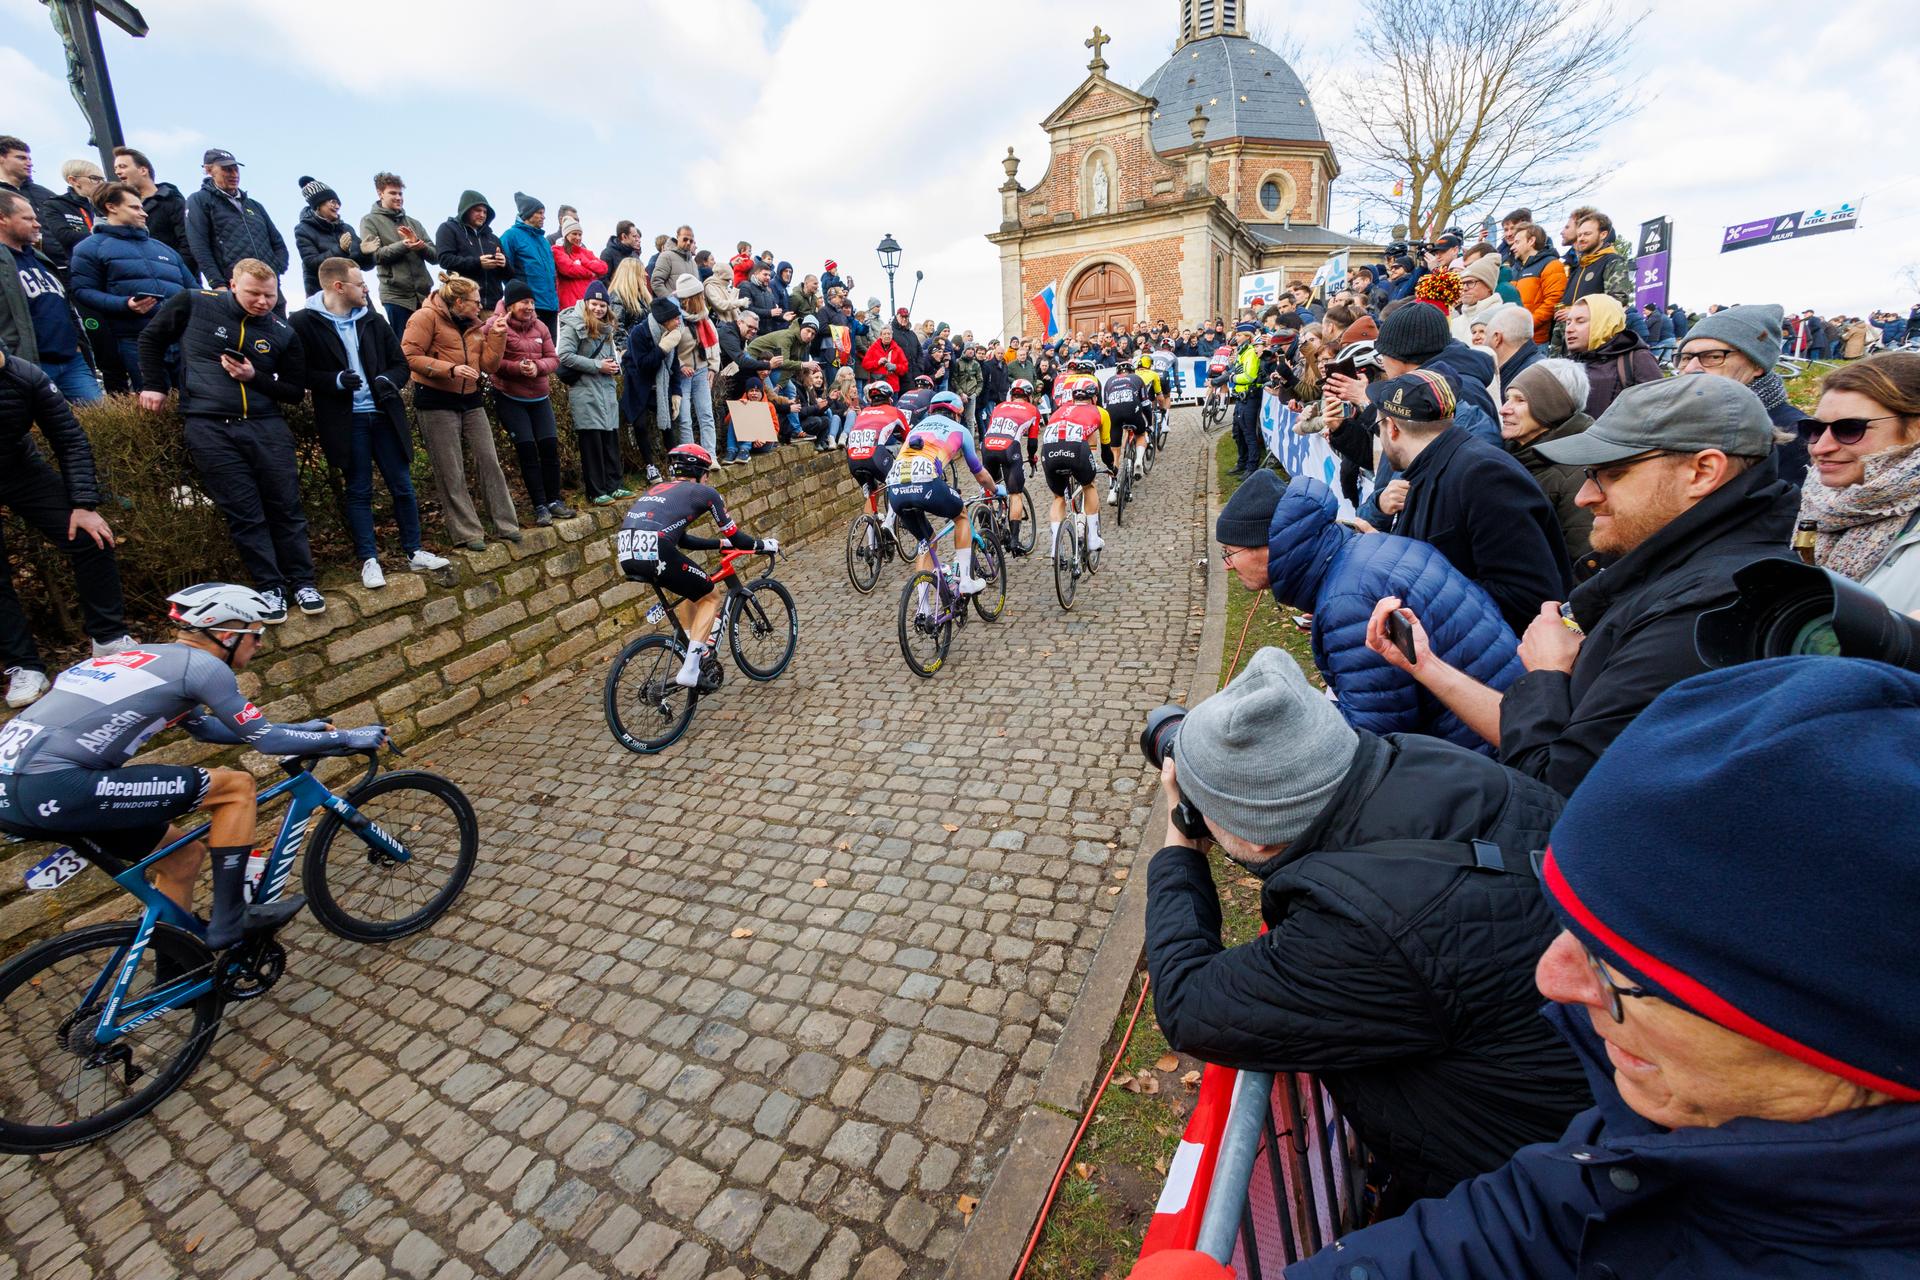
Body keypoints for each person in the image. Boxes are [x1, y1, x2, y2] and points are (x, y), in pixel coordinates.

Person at [1286, 657, 1920, 1280]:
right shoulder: (1675, 1106)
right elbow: (1538, 1217)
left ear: (1832, 1032)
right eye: (1575, 928)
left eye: (1622, 968)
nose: (1552, 980)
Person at [1144, 647, 1588, 1216]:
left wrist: (1181, 841)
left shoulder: (1359, 930)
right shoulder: (1427, 761)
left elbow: (1187, 1003)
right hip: (1582, 1113)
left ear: (1255, 836)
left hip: (1533, 1203)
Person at [1368, 374, 1798, 795]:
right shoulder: (1662, 572)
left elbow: (1562, 784)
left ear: (1703, 472)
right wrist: (1425, 664)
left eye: (1612, 473)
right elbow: (1551, 732)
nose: (1584, 496)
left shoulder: (1708, 611)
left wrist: (1548, 674)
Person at [2, 583, 387, 949]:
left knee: (181, 858)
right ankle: (231, 918)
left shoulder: (148, 659)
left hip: (15, 790)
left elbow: (205, 729)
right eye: (255, 633)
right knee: (236, 787)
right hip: (54, 783)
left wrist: (296, 730)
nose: (259, 643)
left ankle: (178, 966)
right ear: (228, 632)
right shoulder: (204, 667)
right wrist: (344, 737)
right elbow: (267, 743)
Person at [1216, 471, 1524, 752]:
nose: (1227, 565)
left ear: (1271, 546)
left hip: (1488, 755)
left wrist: (1288, 719)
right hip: (1509, 718)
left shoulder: (1349, 603)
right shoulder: (1362, 552)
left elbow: (1373, 738)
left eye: (1230, 553)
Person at [137, 260, 320, 622]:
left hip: (266, 426)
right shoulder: (194, 302)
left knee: (286, 508)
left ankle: (304, 581)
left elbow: (294, 392)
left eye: (270, 295)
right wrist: (154, 385)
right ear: (233, 284)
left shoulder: (283, 331)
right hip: (210, 426)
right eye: (254, 293)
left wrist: (254, 377)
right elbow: (150, 339)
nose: (263, 302)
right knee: (245, 513)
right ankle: (271, 587)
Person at [1370, 369, 1570, 633]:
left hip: (1499, 663)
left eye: (1378, 428)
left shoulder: (1484, 475)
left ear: (1392, 428)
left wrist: (1419, 592)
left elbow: (1529, 597)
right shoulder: (1431, 467)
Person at [290, 258, 449, 588]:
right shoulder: (303, 323)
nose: (365, 288)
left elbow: (400, 365)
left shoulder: (374, 321)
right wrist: (334, 380)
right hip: (346, 421)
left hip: (383, 416)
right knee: (359, 490)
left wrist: (386, 380)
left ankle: (415, 551)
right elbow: (299, 373)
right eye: (358, 282)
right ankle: (369, 560)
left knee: (402, 486)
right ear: (338, 287)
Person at [0, 347, 135, 708]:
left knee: (92, 536)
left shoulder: (24, 376)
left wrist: (83, 504)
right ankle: (23, 666)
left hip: (18, 469)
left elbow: (69, 439)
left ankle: (108, 637)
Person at [615, 443, 775, 688]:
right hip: (657, 548)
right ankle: (690, 668)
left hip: (627, 550)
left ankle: (692, 646)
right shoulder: (704, 493)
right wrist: (763, 545)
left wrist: (717, 544)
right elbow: (738, 538)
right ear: (702, 473)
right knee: (711, 595)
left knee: (691, 590)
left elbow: (682, 540)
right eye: (708, 473)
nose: (708, 478)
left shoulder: (659, 488)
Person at [1795, 351, 1920, 612]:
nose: (1820, 448)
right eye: (1815, 429)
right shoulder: (1817, 503)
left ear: (1915, 429)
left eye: (1850, 429)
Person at [402, 273, 518, 550]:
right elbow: (408, 356)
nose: (480, 306)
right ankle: (468, 532)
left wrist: (498, 337)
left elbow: (488, 366)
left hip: (471, 399)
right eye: (475, 302)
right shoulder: (424, 318)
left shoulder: (474, 324)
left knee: (489, 460)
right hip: (435, 401)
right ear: (458, 301)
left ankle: (506, 524)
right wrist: (450, 369)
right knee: (450, 470)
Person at [66, 181, 196, 392]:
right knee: (156, 405)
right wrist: (125, 304)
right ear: (111, 207)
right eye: (135, 207)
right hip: (137, 340)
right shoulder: (89, 248)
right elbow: (82, 291)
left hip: (182, 340)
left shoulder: (164, 249)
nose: (143, 213)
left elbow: (194, 290)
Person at [1677, 303, 1811, 486]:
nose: (1691, 368)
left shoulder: (1795, 435)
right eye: (1685, 358)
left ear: (1757, 365)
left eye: (1714, 356)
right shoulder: (1678, 418)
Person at [887, 391, 1000, 596]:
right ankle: (965, 581)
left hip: (895, 488)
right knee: (961, 515)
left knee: (927, 543)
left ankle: (924, 609)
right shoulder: (960, 429)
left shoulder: (916, 429)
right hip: (926, 483)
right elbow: (980, 475)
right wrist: (996, 490)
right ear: (957, 413)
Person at [0, 191, 99, 402]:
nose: (37, 224)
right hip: (28, 364)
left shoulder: (41, 259)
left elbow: (65, 307)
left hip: (72, 360)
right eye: (28, 218)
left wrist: (80, 346)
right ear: (2, 218)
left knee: (105, 422)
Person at [492, 280, 574, 525]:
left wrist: (537, 367)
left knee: (549, 447)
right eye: (524, 302)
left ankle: (554, 501)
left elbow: (553, 359)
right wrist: (516, 368)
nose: (529, 307)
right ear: (510, 304)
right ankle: (539, 506)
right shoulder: (495, 325)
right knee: (527, 451)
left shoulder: (540, 326)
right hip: (510, 397)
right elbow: (491, 363)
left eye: (531, 302)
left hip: (540, 396)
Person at [1501, 360, 1598, 565]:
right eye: (1507, 398)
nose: (1504, 409)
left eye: (1520, 400)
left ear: (1551, 408)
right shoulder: (1511, 453)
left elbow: (1582, 560)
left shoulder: (1578, 473)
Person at [184, 149, 288, 307]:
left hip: (270, 289)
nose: (234, 174)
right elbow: (199, 245)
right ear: (209, 170)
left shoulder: (254, 205)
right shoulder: (199, 200)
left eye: (235, 168)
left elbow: (278, 242)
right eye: (226, 169)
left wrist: (276, 270)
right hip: (233, 289)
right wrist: (217, 283)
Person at [556, 280, 626, 505]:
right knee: (592, 442)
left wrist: (613, 366)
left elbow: (608, 356)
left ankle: (614, 486)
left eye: (602, 305)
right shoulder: (573, 324)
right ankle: (596, 492)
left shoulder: (607, 329)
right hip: (585, 391)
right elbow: (564, 356)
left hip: (605, 388)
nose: (598, 309)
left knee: (610, 439)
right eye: (594, 304)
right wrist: (598, 365)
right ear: (586, 303)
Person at [358, 172, 437, 333]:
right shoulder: (369, 221)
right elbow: (376, 256)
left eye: (400, 193)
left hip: (424, 297)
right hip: (396, 297)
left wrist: (419, 245)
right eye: (392, 193)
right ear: (380, 194)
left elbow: (436, 256)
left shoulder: (414, 223)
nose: (398, 197)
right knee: (404, 348)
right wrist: (404, 245)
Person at [1040, 381, 1108, 554]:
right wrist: (1111, 467)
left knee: (1058, 498)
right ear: (1094, 397)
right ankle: (1093, 538)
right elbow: (1106, 447)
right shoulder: (1100, 411)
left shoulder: (1059, 410)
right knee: (1088, 485)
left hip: (1049, 450)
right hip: (1075, 449)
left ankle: (1056, 547)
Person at [1566, 295, 1661, 419]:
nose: (1569, 329)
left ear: (1605, 322)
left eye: (1580, 321)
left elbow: (1657, 413)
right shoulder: (1569, 362)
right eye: (1568, 322)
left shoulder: (1638, 358)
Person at [111, 146, 196, 280]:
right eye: (116, 168)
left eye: (122, 166)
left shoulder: (173, 201)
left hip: (177, 280)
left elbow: (188, 243)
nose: (118, 172)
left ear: (143, 170)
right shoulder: (122, 209)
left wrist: (177, 274)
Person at [846, 379, 911, 537]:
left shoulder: (863, 412)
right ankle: (888, 524)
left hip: (852, 458)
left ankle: (871, 545)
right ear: (890, 398)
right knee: (897, 482)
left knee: (871, 493)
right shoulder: (895, 412)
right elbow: (909, 439)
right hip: (874, 455)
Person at [982, 378, 1040, 553]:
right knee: (1015, 493)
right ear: (1029, 395)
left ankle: (987, 525)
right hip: (1009, 448)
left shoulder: (999, 406)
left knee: (989, 488)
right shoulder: (1033, 410)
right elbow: (1032, 443)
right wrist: (1031, 458)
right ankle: (1014, 541)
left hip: (987, 446)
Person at [292, 175, 374, 298]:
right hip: (326, 296)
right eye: (333, 202)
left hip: (355, 294)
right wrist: (340, 250)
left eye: (338, 203)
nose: (337, 206)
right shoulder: (303, 229)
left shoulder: (346, 228)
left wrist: (365, 253)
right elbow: (312, 263)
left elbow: (364, 266)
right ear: (318, 204)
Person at [433, 190, 509, 308]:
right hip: (463, 304)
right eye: (478, 210)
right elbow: (444, 259)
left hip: (493, 307)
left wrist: (504, 263)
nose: (483, 215)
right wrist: (478, 263)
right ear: (466, 210)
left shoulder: (493, 239)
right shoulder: (448, 228)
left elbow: (509, 274)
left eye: (485, 211)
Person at [500, 193, 559, 334]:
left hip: (550, 305)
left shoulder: (544, 241)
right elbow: (504, 269)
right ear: (528, 214)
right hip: (528, 305)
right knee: (529, 349)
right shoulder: (510, 236)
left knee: (549, 349)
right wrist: (517, 298)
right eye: (539, 213)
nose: (543, 217)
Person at [40, 159, 104, 271]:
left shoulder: (107, 204)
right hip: (82, 266)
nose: (101, 183)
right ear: (73, 180)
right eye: (94, 178)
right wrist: (103, 237)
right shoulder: (56, 204)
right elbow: (64, 235)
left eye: (102, 179)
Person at [1508, 223, 1565, 347]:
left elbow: (1553, 301)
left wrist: (1527, 325)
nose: (1512, 247)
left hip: (1536, 342)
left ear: (1531, 241)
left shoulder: (1552, 265)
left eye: (1517, 242)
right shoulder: (1514, 269)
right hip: (1513, 340)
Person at [551, 216, 607, 312]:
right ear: (566, 234)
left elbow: (603, 268)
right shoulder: (557, 250)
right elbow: (569, 269)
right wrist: (591, 272)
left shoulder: (585, 253)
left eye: (580, 234)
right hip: (570, 305)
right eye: (574, 234)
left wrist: (585, 262)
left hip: (589, 304)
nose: (578, 237)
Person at [1482, 302, 1544, 387]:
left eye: (1485, 335)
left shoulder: (1528, 378)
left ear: (1497, 338)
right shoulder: (1539, 369)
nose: (1482, 341)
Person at [648, 225, 697, 299]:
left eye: (691, 240)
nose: (688, 243)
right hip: (675, 308)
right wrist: (672, 301)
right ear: (677, 237)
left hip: (692, 309)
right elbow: (656, 282)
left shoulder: (693, 262)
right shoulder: (666, 256)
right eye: (685, 239)